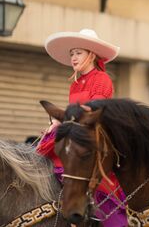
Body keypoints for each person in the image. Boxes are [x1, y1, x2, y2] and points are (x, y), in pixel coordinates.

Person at [36, 29, 126, 227]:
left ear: (91, 55)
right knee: (44, 147)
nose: (74, 58)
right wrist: (56, 123)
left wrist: (64, 119)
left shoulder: (102, 79)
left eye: (78, 53)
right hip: (77, 128)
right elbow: (72, 111)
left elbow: (94, 110)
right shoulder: (75, 83)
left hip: (93, 130)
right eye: (72, 54)